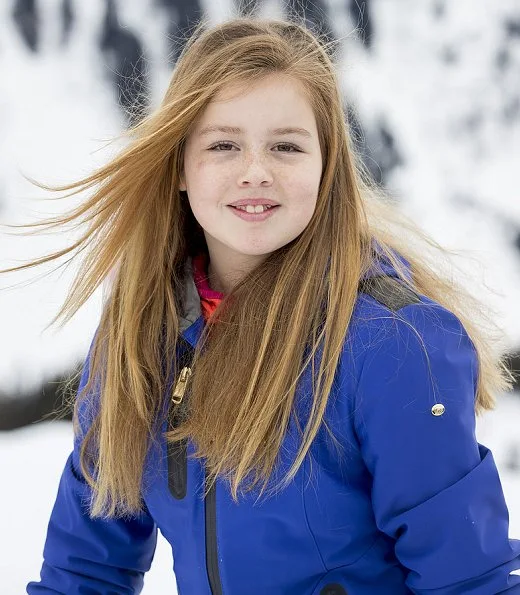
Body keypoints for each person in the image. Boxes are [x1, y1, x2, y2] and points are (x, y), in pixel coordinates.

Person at [11, 15, 519, 594]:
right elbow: (85, 568)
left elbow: (470, 581)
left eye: (286, 146)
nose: (256, 172)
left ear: (327, 168)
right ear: (180, 166)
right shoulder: (144, 329)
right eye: (224, 145)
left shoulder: (393, 344)